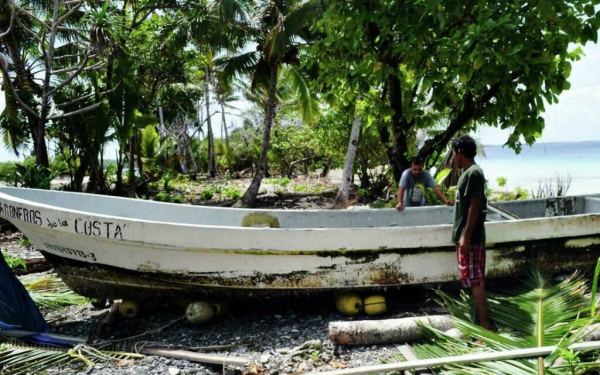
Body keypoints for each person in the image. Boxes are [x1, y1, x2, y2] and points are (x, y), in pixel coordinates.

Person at [451, 134, 494, 331]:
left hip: (471, 238)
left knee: (475, 280)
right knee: (471, 280)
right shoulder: (469, 173)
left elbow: (475, 206)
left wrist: (465, 237)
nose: (453, 159)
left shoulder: (473, 174)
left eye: (453, 154)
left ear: (459, 153)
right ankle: (479, 321)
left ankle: (485, 325)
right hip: (467, 237)